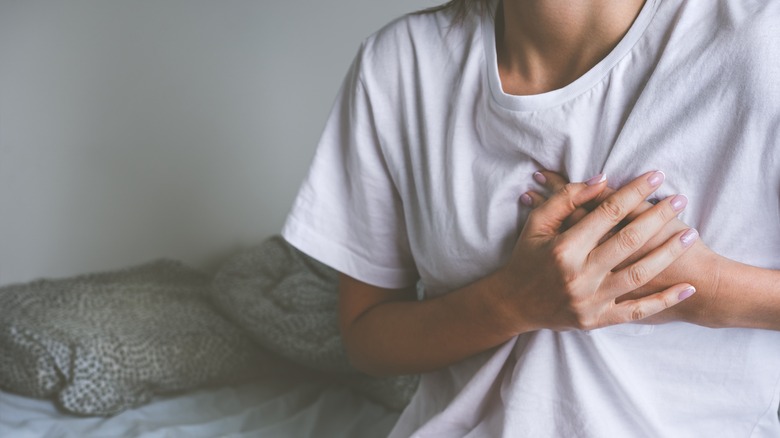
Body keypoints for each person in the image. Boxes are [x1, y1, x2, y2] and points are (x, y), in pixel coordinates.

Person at [282, 0, 780, 435]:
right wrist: (512, 303)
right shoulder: (400, 64)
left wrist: (709, 289)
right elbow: (368, 340)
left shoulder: (761, 45)